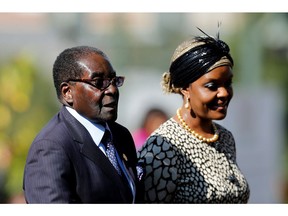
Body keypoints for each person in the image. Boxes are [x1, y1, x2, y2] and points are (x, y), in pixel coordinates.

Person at [137, 29, 250, 203]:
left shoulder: (224, 138)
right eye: (212, 86)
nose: (224, 93)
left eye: (228, 83)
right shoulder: (163, 147)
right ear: (185, 89)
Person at [23, 46, 144, 203]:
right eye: (99, 82)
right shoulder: (51, 148)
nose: (112, 90)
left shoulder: (120, 136)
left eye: (114, 81)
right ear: (68, 92)